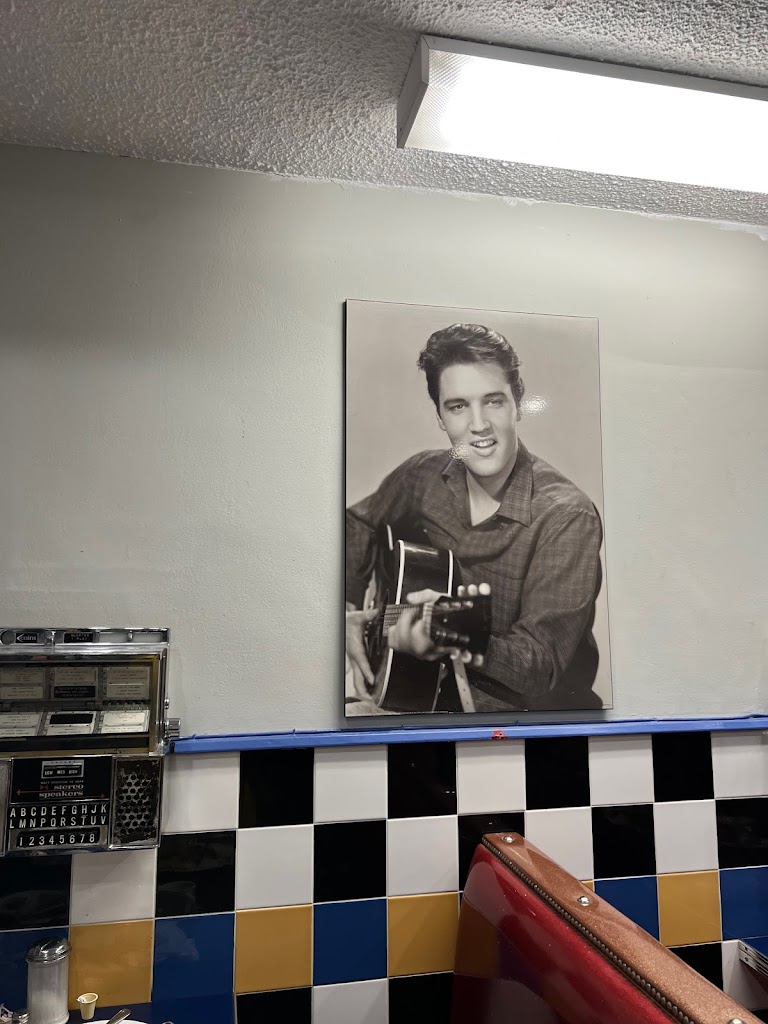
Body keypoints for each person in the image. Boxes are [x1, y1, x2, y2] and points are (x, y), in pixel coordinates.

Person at [345, 323, 604, 713]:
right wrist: (348, 614)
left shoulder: (567, 516)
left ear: (518, 402)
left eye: (493, 401)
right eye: (458, 406)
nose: (479, 425)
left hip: (524, 725)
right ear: (440, 416)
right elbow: (358, 524)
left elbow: (539, 664)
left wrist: (450, 633)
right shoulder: (422, 476)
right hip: (421, 699)